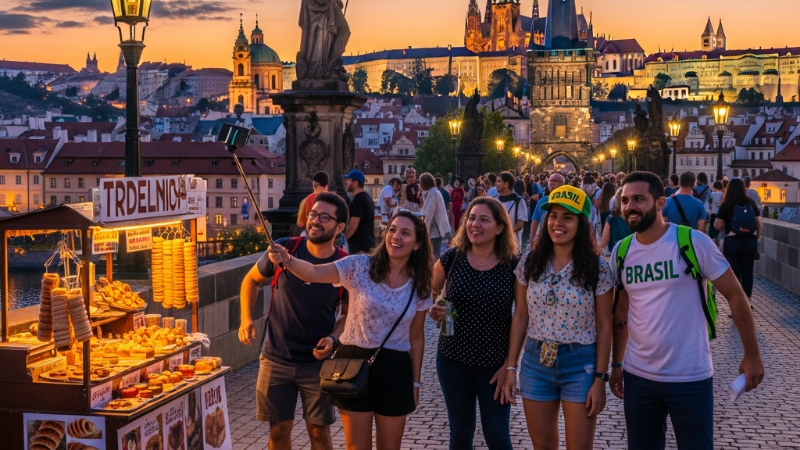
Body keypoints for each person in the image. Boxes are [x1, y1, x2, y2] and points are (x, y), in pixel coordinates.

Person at [610, 172, 764, 450]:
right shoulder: (621, 252)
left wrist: (752, 354)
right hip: (638, 376)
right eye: (625, 200)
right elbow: (621, 314)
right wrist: (617, 364)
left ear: (660, 203)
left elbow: (736, 296)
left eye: (638, 199)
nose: (629, 206)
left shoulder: (692, 242)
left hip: (689, 376)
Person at [266, 210, 433, 450]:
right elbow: (313, 272)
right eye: (393, 230)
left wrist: (415, 384)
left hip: (396, 368)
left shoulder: (420, 284)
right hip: (354, 362)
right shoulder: (360, 265)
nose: (395, 236)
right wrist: (288, 259)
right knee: (356, 447)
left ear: (417, 244)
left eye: (405, 233)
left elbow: (416, 337)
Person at [502, 185, 615, 450]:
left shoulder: (597, 267)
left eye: (568, 217)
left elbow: (604, 325)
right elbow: (520, 315)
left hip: (581, 364)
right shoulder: (530, 261)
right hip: (535, 362)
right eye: (553, 215)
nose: (558, 223)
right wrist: (511, 367)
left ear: (581, 222)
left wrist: (601, 377)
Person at [239, 193, 350, 450]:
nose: (315, 221)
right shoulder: (284, 248)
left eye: (325, 217)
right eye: (313, 214)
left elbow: (348, 313)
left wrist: (334, 337)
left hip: (317, 363)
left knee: (319, 433)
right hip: (276, 357)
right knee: (278, 432)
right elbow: (250, 280)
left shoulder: (345, 263)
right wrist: (246, 318)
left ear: (340, 226)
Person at [428, 197, 521, 450]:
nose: (474, 224)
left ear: (500, 227)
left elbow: (521, 317)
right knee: (460, 433)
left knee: (498, 435)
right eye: (471, 218)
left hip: (495, 366)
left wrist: (510, 366)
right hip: (453, 360)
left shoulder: (513, 265)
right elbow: (433, 292)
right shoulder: (451, 259)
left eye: (483, 219)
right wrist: (436, 306)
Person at [714, 178, 763, 303]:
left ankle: (738, 303)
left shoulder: (727, 204)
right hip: (750, 241)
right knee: (748, 272)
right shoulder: (750, 202)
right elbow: (759, 223)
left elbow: (718, 226)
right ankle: (747, 301)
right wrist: (758, 238)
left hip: (732, 241)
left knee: (734, 274)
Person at [420, 173, 452, 261]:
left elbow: (428, 213)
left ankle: (434, 273)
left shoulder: (432, 193)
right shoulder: (434, 192)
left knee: (434, 255)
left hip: (434, 230)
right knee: (435, 253)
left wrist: (423, 229)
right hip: (436, 229)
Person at [493, 172, 528, 250]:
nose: (496, 184)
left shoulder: (519, 201)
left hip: (512, 244)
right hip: (495, 243)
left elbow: (520, 224)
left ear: (506, 183)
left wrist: (504, 232)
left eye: (499, 181)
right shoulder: (494, 200)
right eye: (496, 181)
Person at [343, 170, 376, 254]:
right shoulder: (367, 197)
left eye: (348, 179)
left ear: (355, 182)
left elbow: (353, 225)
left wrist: (343, 241)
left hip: (359, 247)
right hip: (367, 244)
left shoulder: (358, 200)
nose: (346, 182)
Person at [529, 173, 566, 248]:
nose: (552, 183)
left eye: (556, 181)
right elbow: (535, 221)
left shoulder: (567, 201)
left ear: (562, 184)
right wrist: (532, 239)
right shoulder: (542, 201)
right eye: (551, 181)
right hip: (544, 238)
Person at [599, 189, 633, 254]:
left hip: (618, 255)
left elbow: (603, 243)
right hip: (634, 254)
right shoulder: (635, 217)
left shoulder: (611, 218)